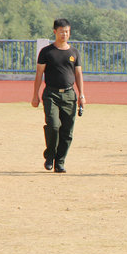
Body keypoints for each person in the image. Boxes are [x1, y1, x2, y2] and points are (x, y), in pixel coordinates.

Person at [32, 18, 86, 173]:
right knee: (54, 126)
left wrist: (81, 95)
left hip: (69, 95)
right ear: (55, 32)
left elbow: (78, 74)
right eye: (61, 31)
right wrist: (35, 95)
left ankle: (60, 162)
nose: (64, 34)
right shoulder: (46, 52)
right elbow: (39, 74)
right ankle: (50, 155)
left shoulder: (74, 52)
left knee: (67, 132)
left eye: (67, 31)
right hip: (51, 94)